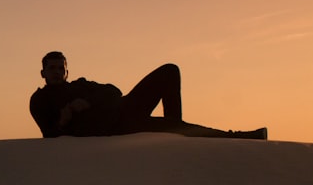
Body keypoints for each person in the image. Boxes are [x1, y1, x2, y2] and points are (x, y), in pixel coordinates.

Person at [29, 51, 267, 140]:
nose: (57, 72)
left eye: (61, 68)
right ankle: (238, 137)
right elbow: (49, 135)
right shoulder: (40, 100)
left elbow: (113, 91)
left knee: (170, 71)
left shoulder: (80, 85)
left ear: (67, 70)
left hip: (125, 107)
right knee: (174, 127)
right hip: (119, 127)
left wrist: (86, 101)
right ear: (43, 72)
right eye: (52, 68)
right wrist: (66, 115)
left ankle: (175, 132)